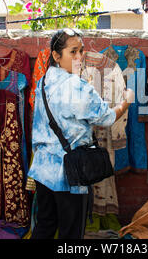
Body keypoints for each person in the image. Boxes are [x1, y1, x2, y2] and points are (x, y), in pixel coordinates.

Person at [28, 28, 134, 239]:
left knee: (45, 226)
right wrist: (125, 102)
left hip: (43, 169)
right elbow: (106, 117)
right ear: (57, 56)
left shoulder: (43, 82)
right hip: (70, 173)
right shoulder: (76, 86)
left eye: (81, 51)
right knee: (71, 232)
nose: (79, 57)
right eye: (73, 52)